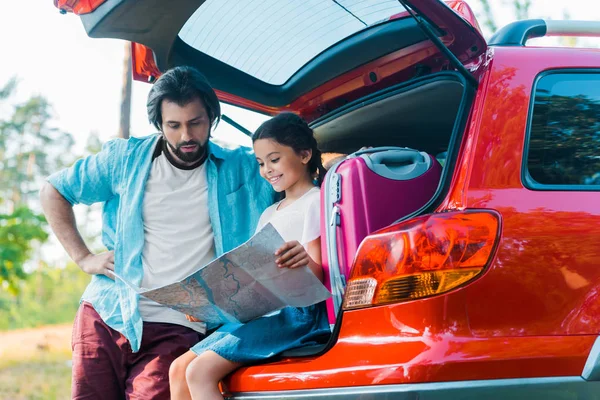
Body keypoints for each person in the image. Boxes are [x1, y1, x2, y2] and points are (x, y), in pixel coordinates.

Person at [39, 66, 275, 399]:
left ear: (212, 117)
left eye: (196, 123)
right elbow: (54, 191)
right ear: (159, 125)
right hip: (108, 313)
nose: (186, 136)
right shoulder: (124, 159)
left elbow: (294, 166)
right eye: (174, 126)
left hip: (180, 324)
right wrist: (83, 257)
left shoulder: (242, 167)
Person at [169, 113, 331, 400]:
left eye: (274, 159)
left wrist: (304, 260)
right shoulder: (270, 213)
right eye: (260, 163)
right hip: (261, 312)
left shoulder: (316, 201)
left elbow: (318, 278)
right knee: (178, 368)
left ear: (305, 155)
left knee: (199, 372)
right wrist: (210, 305)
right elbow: (253, 278)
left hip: (296, 314)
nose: (267, 170)